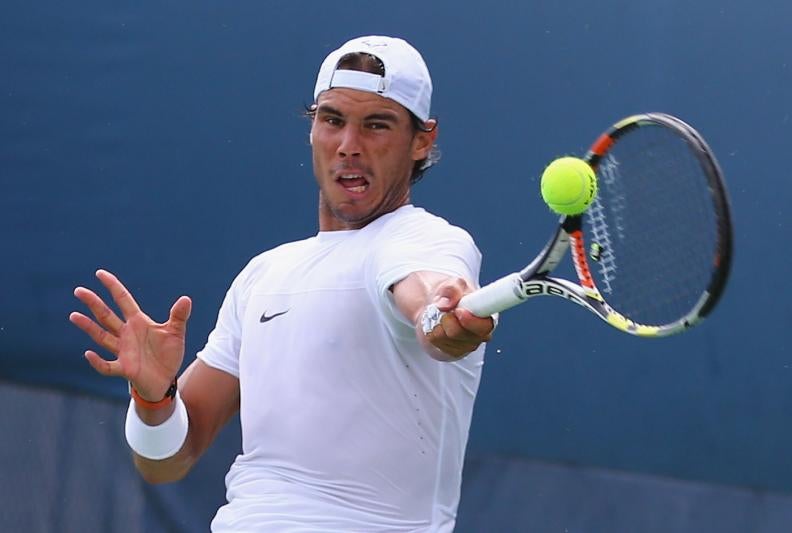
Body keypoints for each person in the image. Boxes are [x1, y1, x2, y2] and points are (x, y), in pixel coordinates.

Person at [70, 35, 495, 532]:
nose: (348, 146)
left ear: (422, 140)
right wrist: (153, 397)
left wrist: (443, 318)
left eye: (376, 125)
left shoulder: (425, 241)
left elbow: (428, 301)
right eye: (332, 120)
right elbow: (165, 463)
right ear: (313, 127)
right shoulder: (263, 275)